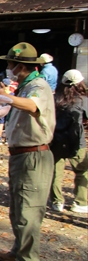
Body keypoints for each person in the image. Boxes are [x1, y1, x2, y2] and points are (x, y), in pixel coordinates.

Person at [0, 42, 55, 261]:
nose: (7, 67)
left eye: (9, 63)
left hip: (34, 155)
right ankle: (18, 250)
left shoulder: (38, 86)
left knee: (29, 208)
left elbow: (32, 106)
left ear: (19, 65)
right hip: (20, 155)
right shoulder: (25, 86)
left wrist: (7, 98)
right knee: (18, 207)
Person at [49, 70, 88, 213]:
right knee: (82, 171)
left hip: (56, 140)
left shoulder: (54, 98)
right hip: (77, 141)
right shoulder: (82, 100)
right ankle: (80, 202)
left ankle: (56, 201)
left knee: (56, 172)